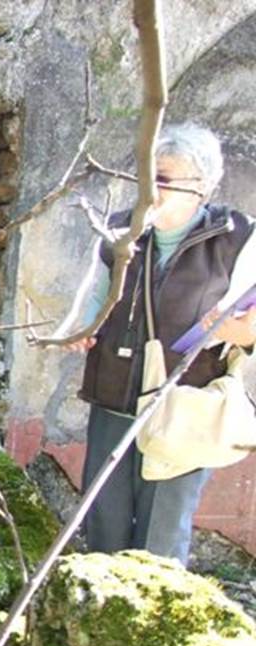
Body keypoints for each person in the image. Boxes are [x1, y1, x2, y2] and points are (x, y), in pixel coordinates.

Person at [69, 123, 256, 566]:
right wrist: (83, 328)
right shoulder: (121, 232)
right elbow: (97, 295)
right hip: (114, 398)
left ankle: (152, 628)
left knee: (161, 536)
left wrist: (235, 333)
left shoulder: (238, 239)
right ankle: (98, 624)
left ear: (202, 187)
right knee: (104, 525)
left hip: (183, 406)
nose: (151, 189)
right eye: (147, 176)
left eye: (165, 179)